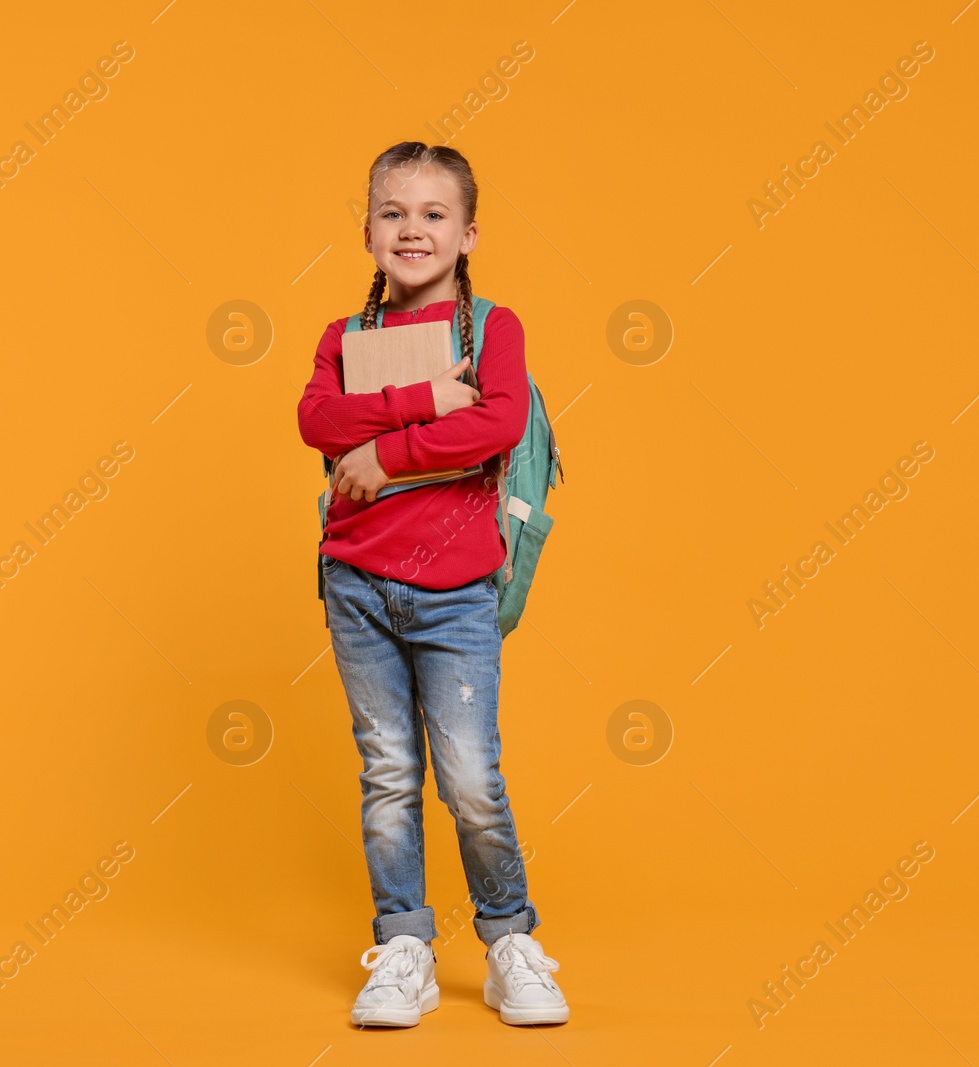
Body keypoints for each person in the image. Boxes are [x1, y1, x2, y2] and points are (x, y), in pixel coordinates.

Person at [297, 141, 568, 1029]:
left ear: (468, 232)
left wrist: (381, 452)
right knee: (387, 772)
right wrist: (420, 403)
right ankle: (404, 941)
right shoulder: (347, 337)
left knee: (471, 777)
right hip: (359, 584)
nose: (412, 229)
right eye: (393, 212)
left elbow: (495, 424)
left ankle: (509, 941)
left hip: (455, 592)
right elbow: (315, 419)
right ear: (369, 228)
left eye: (434, 214)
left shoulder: (495, 329)